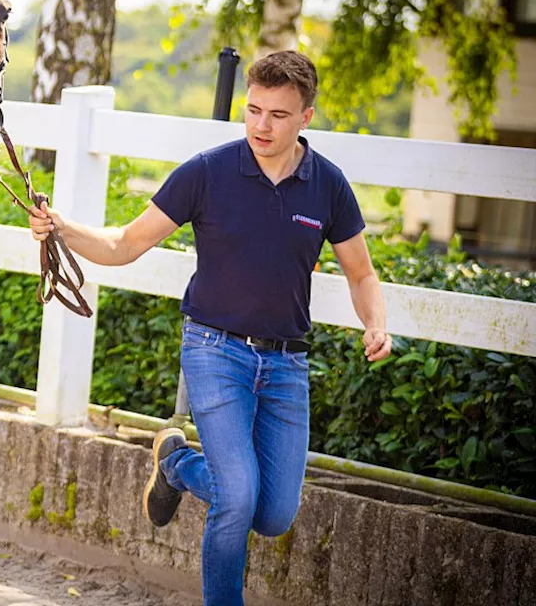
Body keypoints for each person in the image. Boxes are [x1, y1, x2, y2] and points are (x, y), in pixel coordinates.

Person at [29, 50, 394, 605]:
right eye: (252, 111)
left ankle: (176, 464)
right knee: (237, 498)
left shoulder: (328, 186)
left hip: (286, 365)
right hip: (214, 351)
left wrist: (376, 323)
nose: (261, 126)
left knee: (273, 514)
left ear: (306, 117)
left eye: (277, 114)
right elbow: (126, 243)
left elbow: (362, 273)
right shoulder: (209, 171)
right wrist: (60, 227)